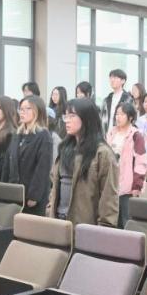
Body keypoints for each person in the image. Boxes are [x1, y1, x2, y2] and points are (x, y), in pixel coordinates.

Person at [48, 97, 119, 227]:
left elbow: (109, 197)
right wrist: (50, 209)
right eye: (66, 116)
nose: (67, 121)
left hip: (85, 225)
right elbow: (55, 185)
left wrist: (105, 228)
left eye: (72, 116)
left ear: (87, 118)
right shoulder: (64, 148)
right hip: (58, 222)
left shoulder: (102, 153)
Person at [4, 95, 54, 216]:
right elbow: (8, 163)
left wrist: (34, 196)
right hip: (14, 192)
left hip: (31, 196)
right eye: (21, 109)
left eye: (28, 108)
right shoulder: (17, 134)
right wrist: (4, 187)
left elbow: (42, 168)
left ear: (38, 111)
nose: (23, 112)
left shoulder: (43, 135)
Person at [108, 101, 147, 228]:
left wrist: (137, 185)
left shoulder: (136, 136)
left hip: (128, 186)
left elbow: (141, 162)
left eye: (122, 114)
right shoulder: (111, 133)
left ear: (130, 117)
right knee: (112, 220)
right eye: (117, 114)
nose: (118, 117)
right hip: (111, 184)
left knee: (126, 220)